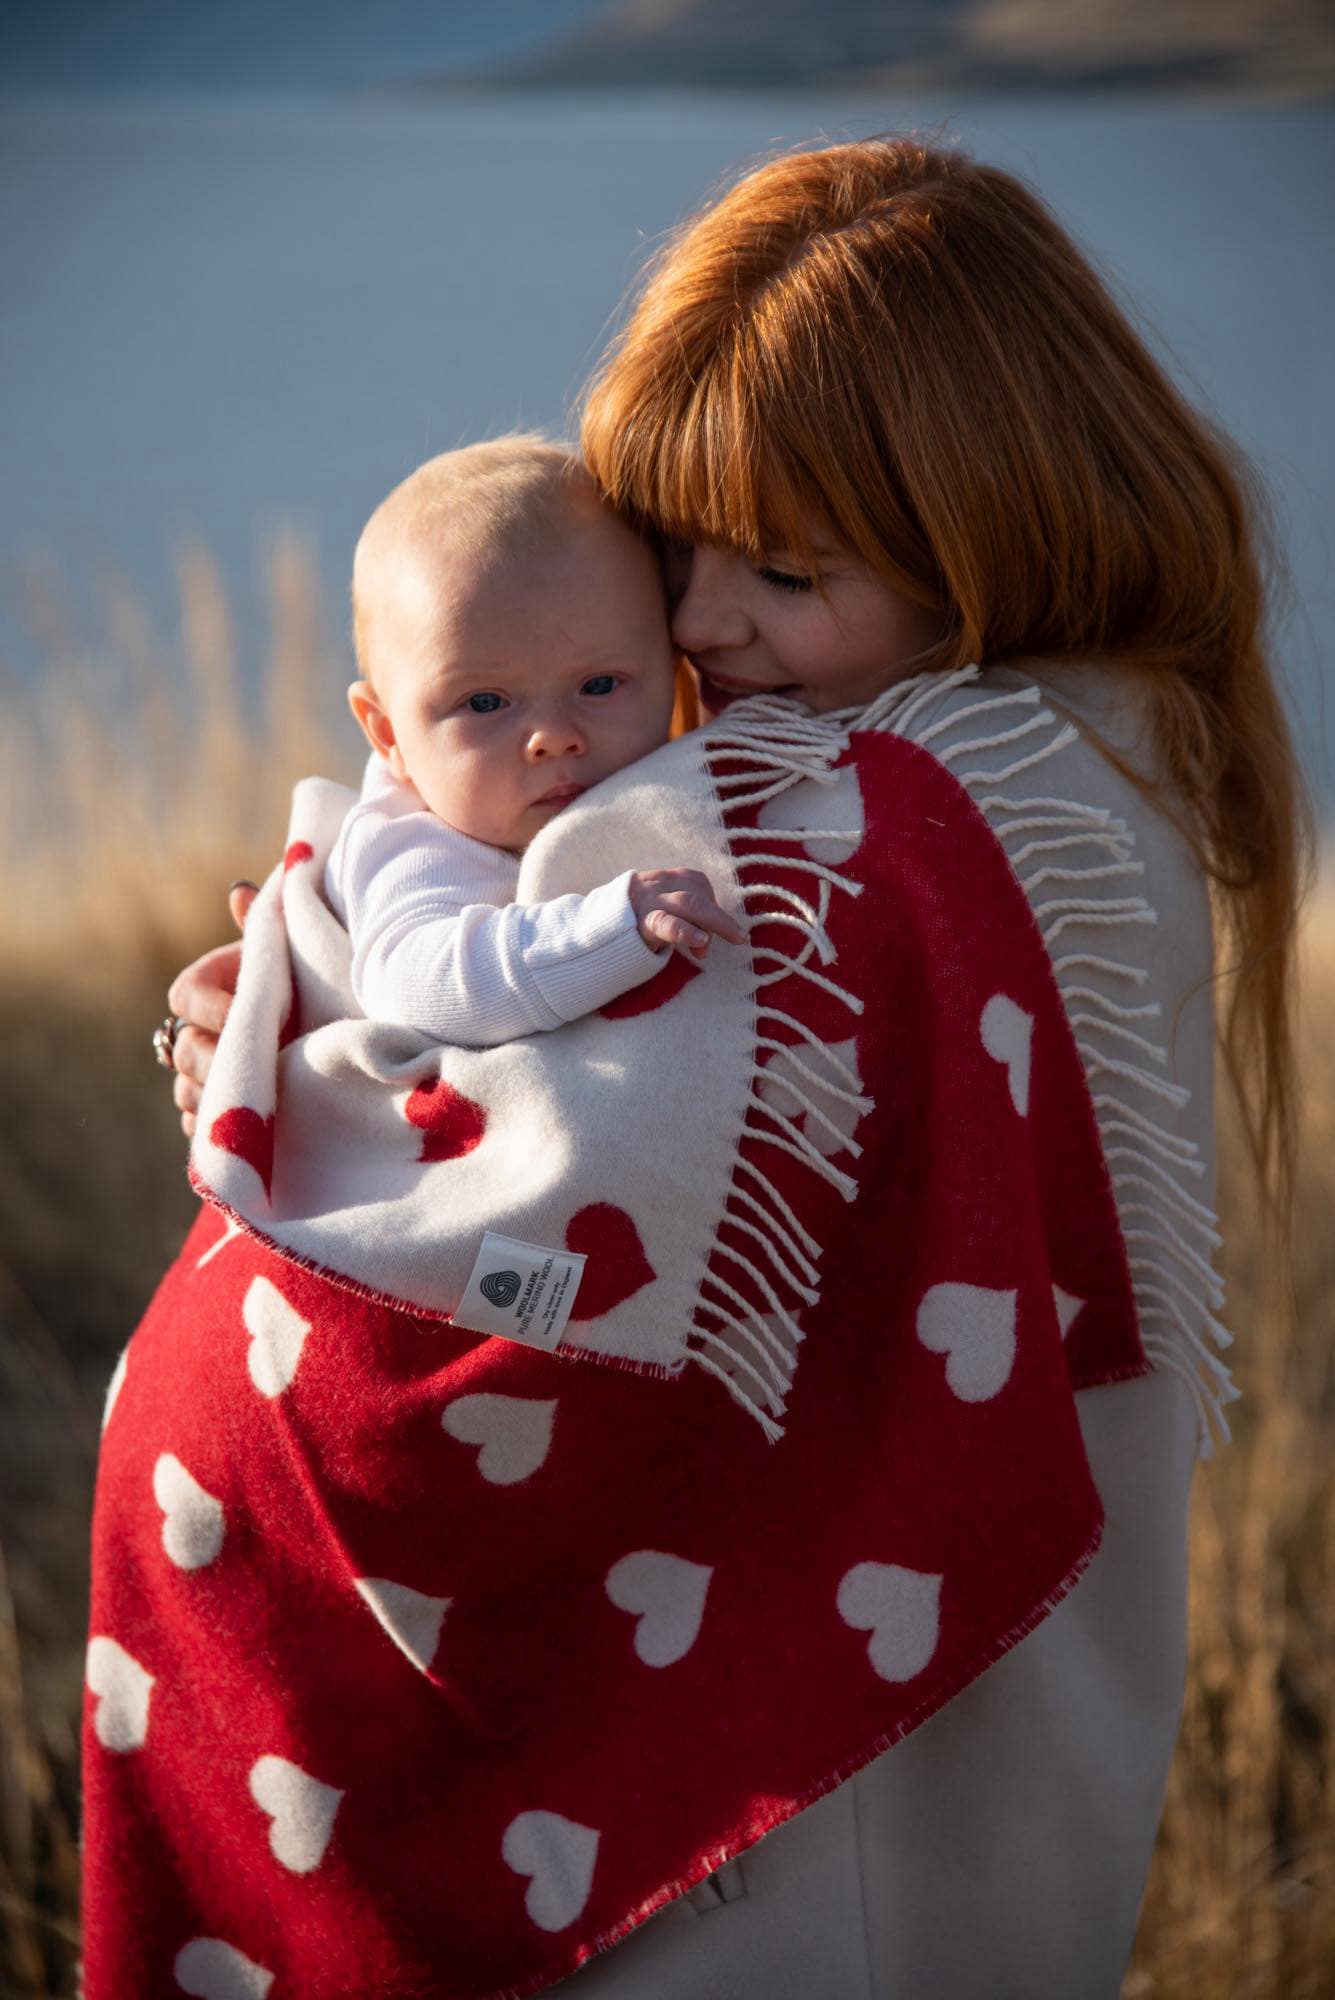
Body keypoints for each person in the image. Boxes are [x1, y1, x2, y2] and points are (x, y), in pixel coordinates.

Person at [158, 135, 1309, 1996]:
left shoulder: (888, 823)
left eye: (781, 567)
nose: (695, 627)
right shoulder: (1099, 748)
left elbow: (503, 1172)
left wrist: (305, 1058)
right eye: (677, 552)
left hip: (789, 1815)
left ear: (989, 538)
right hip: (862, 1741)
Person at [325, 433, 741, 1048]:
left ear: (673, 665)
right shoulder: (410, 841)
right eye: (485, 703)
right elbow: (415, 987)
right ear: (389, 735)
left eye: (600, 684)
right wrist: (609, 927)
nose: (553, 736)